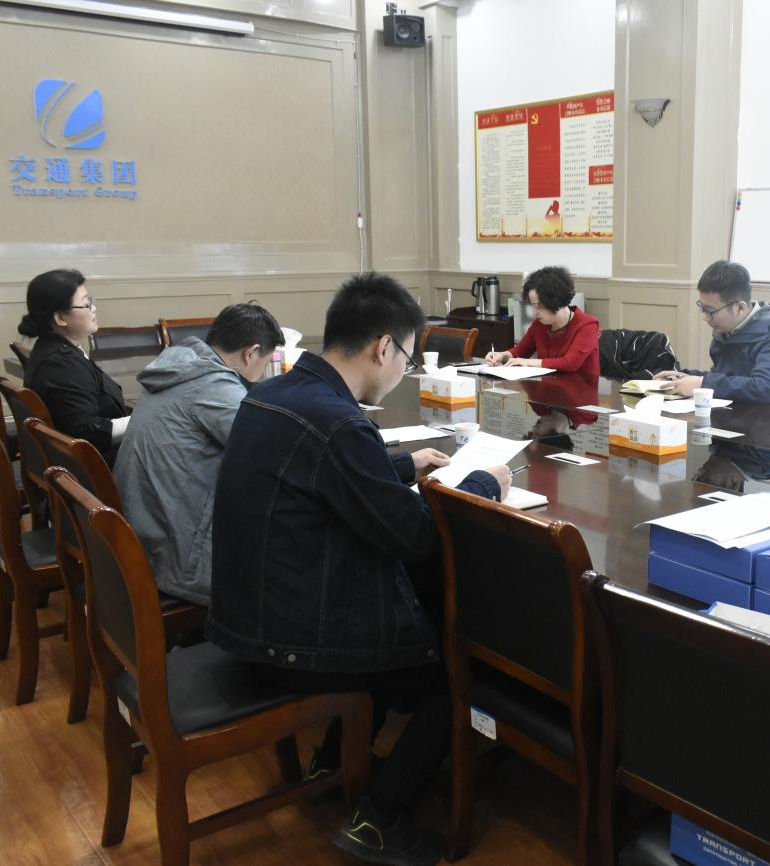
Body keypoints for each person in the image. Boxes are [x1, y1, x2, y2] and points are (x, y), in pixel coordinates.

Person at [207, 272, 511, 866]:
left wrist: (399, 465)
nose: (403, 370)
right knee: (453, 667)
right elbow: (415, 535)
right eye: (408, 358)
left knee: (409, 620)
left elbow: (322, 476)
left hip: (246, 612)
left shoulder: (276, 393)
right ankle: (380, 819)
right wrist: (483, 483)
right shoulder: (339, 423)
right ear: (383, 347)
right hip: (290, 637)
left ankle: (331, 762)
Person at [113, 303, 284, 607]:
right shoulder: (213, 385)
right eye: (266, 363)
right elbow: (270, 453)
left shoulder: (180, 366)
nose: (260, 375)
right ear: (251, 353)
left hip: (140, 539)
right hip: (176, 560)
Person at [19, 268, 130, 464]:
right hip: (97, 468)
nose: (93, 308)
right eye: (86, 304)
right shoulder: (60, 364)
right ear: (61, 318)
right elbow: (90, 433)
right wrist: (144, 419)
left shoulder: (54, 348)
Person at [653, 259, 770, 404]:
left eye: (710, 311)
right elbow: (726, 379)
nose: (705, 317)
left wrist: (702, 383)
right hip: (739, 412)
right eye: (702, 308)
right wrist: (685, 377)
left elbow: (766, 388)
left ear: (740, 307)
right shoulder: (726, 329)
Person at [484, 265, 600, 376]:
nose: (535, 312)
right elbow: (520, 351)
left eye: (539, 306)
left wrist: (528, 362)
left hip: (581, 388)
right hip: (549, 387)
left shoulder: (587, 325)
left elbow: (570, 363)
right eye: (533, 306)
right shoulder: (540, 324)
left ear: (555, 301)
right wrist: (502, 355)